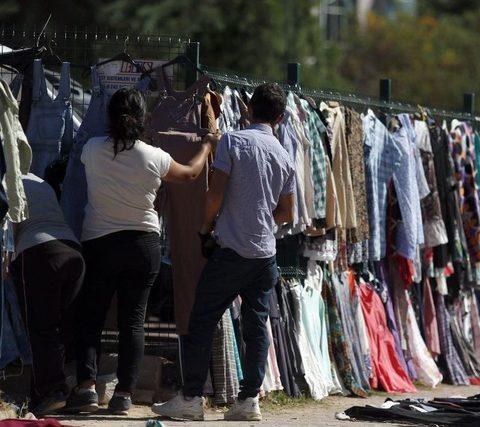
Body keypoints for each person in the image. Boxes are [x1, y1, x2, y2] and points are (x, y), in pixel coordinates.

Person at [65, 88, 220, 415]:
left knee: (91, 315)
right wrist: (207, 145)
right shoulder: (154, 156)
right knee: (133, 320)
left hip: (100, 244)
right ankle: (123, 394)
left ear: (110, 117)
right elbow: (191, 174)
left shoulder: (91, 149)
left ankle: (87, 387)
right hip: (142, 246)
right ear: (142, 119)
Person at [152, 83, 295, 421]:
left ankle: (191, 398)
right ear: (280, 116)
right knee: (256, 326)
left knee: (201, 319)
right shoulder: (285, 155)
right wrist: (262, 219)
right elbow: (288, 213)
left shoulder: (233, 140)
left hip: (231, 248)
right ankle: (249, 401)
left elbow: (214, 195)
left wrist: (205, 229)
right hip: (264, 254)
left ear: (248, 109)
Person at [10, 172, 85, 415]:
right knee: (64, 326)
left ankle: (52, 390)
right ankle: (70, 388)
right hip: (73, 249)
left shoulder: (5, 179)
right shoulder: (38, 180)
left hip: (37, 251)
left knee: (39, 326)